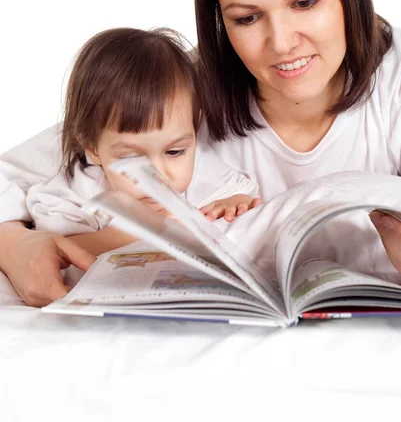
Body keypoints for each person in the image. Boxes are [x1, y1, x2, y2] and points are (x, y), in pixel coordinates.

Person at [1, 0, 401, 305]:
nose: (282, 42)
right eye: (246, 18)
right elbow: (28, 167)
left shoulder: (391, 88)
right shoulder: (179, 92)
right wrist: (13, 244)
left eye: (305, 3)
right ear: (220, 23)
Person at [0, 26, 261, 306]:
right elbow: (62, 257)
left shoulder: (202, 170)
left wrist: (234, 204)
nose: (158, 175)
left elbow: (241, 193)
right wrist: (135, 232)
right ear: (91, 147)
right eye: (132, 160)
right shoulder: (75, 194)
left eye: (174, 151)